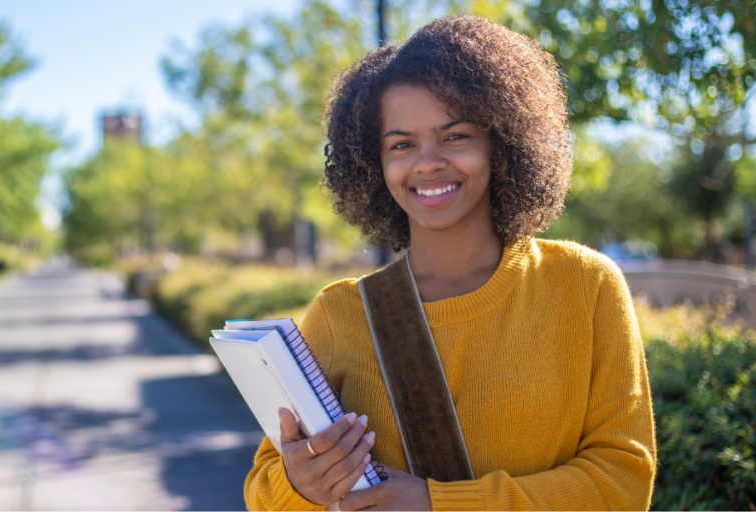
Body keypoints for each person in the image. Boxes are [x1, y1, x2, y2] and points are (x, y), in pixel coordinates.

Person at [243, 15, 657, 511]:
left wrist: (439, 504)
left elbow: (624, 482)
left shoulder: (585, 286)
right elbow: (264, 488)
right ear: (375, 164)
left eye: (455, 136)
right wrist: (300, 484)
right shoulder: (340, 314)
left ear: (500, 142)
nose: (427, 162)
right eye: (402, 144)